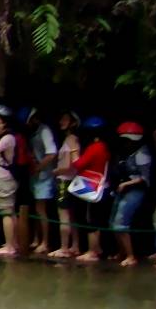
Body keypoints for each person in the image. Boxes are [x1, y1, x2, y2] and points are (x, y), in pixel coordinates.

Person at [62, 116, 112, 262]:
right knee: (97, 219)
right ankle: (98, 248)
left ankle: (92, 251)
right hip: (102, 186)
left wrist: (73, 151)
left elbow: (78, 164)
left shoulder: (95, 147)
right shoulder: (105, 147)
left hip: (92, 186)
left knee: (92, 220)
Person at [110, 121, 153, 267]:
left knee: (121, 223)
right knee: (113, 223)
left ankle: (130, 256)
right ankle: (121, 252)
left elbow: (145, 178)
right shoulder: (125, 152)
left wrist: (126, 184)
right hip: (122, 189)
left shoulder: (142, 153)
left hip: (135, 190)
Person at [0, 106, 25, 258]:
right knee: (11, 211)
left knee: (6, 212)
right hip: (10, 177)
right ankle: (13, 242)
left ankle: (9, 246)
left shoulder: (7, 138)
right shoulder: (11, 137)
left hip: (5, 178)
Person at [48, 111, 82, 258]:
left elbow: (71, 164)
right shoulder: (71, 139)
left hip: (64, 180)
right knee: (71, 215)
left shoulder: (71, 139)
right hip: (70, 180)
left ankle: (64, 247)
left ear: (73, 122)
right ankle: (75, 246)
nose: (61, 121)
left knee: (64, 215)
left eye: (65, 119)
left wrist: (56, 171)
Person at [24, 107, 59, 254]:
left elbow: (51, 153)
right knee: (37, 209)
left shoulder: (45, 131)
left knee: (41, 209)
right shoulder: (33, 133)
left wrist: (38, 167)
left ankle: (45, 242)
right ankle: (37, 239)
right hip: (36, 176)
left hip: (44, 176)